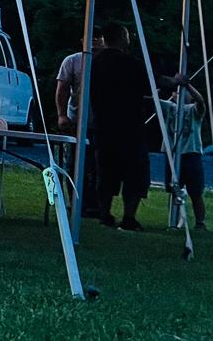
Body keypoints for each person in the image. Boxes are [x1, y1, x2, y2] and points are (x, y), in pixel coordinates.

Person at [89, 23, 153, 229]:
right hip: (130, 128)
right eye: (126, 35)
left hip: (103, 127)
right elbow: (150, 84)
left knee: (105, 173)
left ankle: (105, 214)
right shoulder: (131, 64)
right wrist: (174, 81)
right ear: (119, 37)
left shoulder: (95, 64)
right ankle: (129, 217)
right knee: (134, 173)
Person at [56, 28, 106, 217]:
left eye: (98, 38)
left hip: (102, 123)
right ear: (82, 39)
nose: (94, 41)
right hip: (76, 121)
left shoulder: (107, 63)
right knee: (74, 164)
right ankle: (75, 202)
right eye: (90, 37)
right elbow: (62, 88)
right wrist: (62, 115)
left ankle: (96, 206)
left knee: (99, 165)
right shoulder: (73, 61)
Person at [159, 81, 208, 231]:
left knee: (196, 192)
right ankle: (173, 221)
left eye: (183, 92)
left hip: (191, 154)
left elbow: (200, 100)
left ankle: (200, 223)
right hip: (173, 154)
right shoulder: (170, 107)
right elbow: (154, 101)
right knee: (173, 190)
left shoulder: (194, 109)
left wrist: (187, 85)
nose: (180, 93)